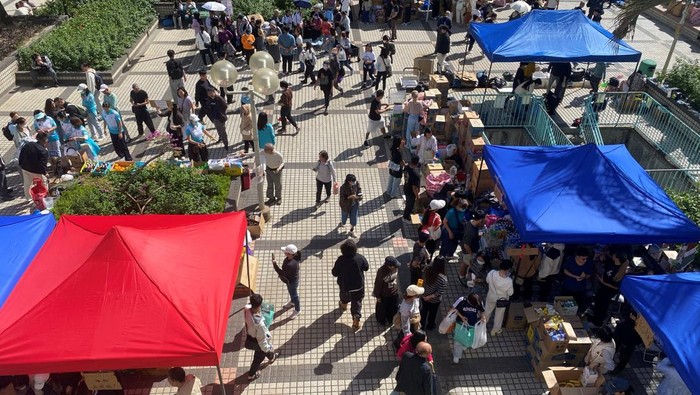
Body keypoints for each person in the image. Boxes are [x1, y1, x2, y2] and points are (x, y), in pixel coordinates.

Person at [332, 239, 370, 331]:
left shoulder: (340, 260)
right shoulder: (360, 258)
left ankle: (344, 305)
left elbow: (334, 273)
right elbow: (366, 267)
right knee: (356, 303)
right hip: (358, 287)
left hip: (345, 287)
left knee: (344, 297)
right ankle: (356, 319)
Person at [244, 293, 279, 381]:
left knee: (264, 352)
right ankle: (251, 375)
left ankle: (271, 357)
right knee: (258, 358)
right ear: (259, 305)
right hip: (257, 341)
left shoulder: (246, 309)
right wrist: (267, 348)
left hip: (250, 336)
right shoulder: (259, 324)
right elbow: (262, 341)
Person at [589, 250, 628, 326]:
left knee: (603, 306)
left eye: (614, 254)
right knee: (597, 302)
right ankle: (594, 317)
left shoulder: (619, 271)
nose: (612, 255)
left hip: (608, 292)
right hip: (602, 288)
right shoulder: (612, 263)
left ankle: (598, 322)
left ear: (617, 258)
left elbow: (616, 287)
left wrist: (603, 282)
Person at [450, 293, 486, 363]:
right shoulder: (462, 300)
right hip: (461, 324)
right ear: (469, 301)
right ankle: (457, 355)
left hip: (472, 324)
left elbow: (482, 311)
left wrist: (483, 317)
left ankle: (465, 344)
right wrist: (462, 317)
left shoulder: (478, 302)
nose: (476, 306)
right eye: (473, 305)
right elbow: (454, 309)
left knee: (469, 337)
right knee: (458, 339)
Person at [483, 259, 514, 336]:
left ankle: (482, 326)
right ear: (508, 269)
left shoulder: (492, 273)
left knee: (487, 311)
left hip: (491, 296)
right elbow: (510, 293)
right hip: (501, 300)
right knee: (499, 315)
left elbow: (487, 281)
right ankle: (495, 330)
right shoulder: (509, 281)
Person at [560, 247, 593, 314]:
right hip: (568, 287)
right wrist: (574, 276)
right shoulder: (570, 260)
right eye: (583, 259)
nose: (585, 261)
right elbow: (565, 270)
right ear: (577, 256)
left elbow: (589, 274)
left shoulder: (588, 263)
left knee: (577, 305)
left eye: (586, 259)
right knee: (564, 305)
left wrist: (584, 277)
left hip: (580, 289)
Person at [273, 244, 301, 320]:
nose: (284, 253)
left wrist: (275, 264)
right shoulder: (293, 259)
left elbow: (282, 273)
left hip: (291, 281)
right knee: (291, 292)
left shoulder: (290, 264)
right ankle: (292, 302)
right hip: (291, 280)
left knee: (294, 295)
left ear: (289, 254)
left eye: (285, 252)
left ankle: (297, 310)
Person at [610, 310, 643, 375]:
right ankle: (616, 366)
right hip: (625, 339)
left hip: (629, 342)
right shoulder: (628, 322)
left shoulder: (640, 326)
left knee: (624, 356)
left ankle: (618, 368)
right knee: (616, 350)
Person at [420, 256, 448, 330]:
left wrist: (419, 289)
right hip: (434, 301)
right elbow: (440, 292)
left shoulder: (427, 269)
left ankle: (421, 326)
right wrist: (429, 297)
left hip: (423, 295)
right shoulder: (443, 279)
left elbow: (421, 279)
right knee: (432, 313)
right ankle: (430, 325)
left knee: (424, 311)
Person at [19, 132, 48, 200]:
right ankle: (45, 197)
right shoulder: (43, 151)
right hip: (36, 171)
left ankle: (28, 198)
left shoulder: (29, 144)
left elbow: (21, 155)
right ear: (44, 140)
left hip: (25, 168)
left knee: (27, 183)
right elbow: (42, 164)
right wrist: (45, 173)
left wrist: (21, 164)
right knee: (44, 182)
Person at [458, 210, 485, 284]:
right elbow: (466, 245)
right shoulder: (471, 231)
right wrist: (471, 254)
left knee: (466, 262)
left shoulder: (471, 222)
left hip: (470, 248)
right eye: (483, 220)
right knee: (466, 263)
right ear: (480, 220)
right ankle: (461, 277)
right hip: (468, 251)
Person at [374, 256, 400, 326]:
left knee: (393, 307)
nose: (396, 267)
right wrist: (378, 296)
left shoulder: (395, 268)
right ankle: (381, 320)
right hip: (384, 294)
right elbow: (378, 285)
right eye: (394, 266)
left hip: (394, 292)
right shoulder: (381, 272)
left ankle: (390, 319)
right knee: (382, 309)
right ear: (389, 266)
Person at [403, 154, 421, 223]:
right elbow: (414, 188)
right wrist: (417, 196)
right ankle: (405, 217)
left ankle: (407, 209)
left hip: (406, 187)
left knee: (409, 202)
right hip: (411, 192)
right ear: (416, 164)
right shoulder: (414, 175)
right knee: (409, 205)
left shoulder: (406, 167)